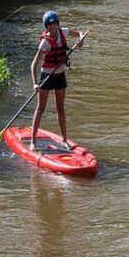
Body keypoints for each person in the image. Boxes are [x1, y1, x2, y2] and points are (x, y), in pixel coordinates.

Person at [29, 10, 88, 152]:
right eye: (49, 24)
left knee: (60, 108)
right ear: (46, 26)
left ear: (58, 23)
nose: (52, 26)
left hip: (60, 75)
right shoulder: (45, 42)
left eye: (54, 23)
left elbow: (80, 32)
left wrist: (81, 40)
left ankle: (64, 140)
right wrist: (35, 83)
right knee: (40, 109)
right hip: (46, 77)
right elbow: (34, 64)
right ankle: (33, 141)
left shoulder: (64, 32)